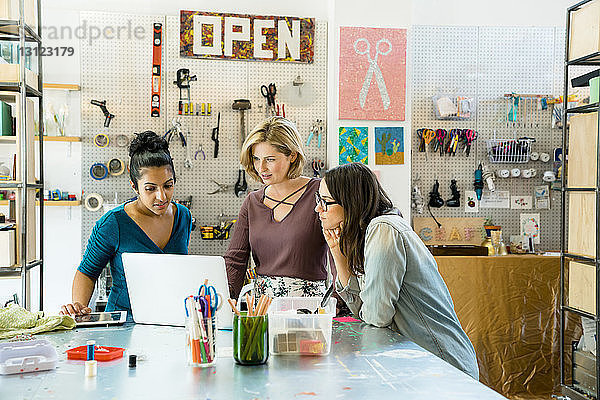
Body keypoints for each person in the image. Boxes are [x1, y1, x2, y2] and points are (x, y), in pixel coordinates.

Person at [315, 162, 479, 379]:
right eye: (319, 201)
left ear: (350, 202)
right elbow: (361, 310)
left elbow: (376, 316)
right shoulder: (370, 235)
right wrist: (337, 253)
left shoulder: (384, 230)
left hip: (444, 364)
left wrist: (366, 308)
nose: (318, 209)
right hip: (421, 364)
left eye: (325, 202)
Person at [60, 131, 192, 317]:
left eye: (168, 186)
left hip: (169, 319)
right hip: (122, 323)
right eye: (150, 189)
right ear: (134, 186)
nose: (161, 196)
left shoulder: (183, 216)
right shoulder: (113, 223)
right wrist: (78, 307)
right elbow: (87, 272)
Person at [224, 116, 329, 300]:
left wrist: (338, 304)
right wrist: (223, 301)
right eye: (256, 159)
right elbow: (235, 261)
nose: (261, 168)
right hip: (263, 309)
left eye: (270, 159)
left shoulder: (321, 192)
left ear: (292, 155)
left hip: (309, 312)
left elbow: (339, 252)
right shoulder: (252, 202)